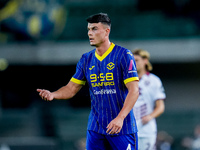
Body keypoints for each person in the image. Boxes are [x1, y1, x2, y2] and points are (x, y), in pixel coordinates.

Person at [37, 13, 139, 150]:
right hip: (95, 129)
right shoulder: (86, 59)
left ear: (106, 31)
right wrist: (53, 94)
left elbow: (134, 90)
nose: (90, 33)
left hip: (122, 128)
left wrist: (120, 118)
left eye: (94, 29)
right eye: (88, 29)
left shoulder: (123, 55)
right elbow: (71, 88)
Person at [132, 49, 166, 150]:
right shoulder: (125, 80)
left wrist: (150, 116)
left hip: (146, 130)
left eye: (137, 60)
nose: (134, 63)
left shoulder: (154, 81)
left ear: (145, 60)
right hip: (127, 130)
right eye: (132, 61)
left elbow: (160, 107)